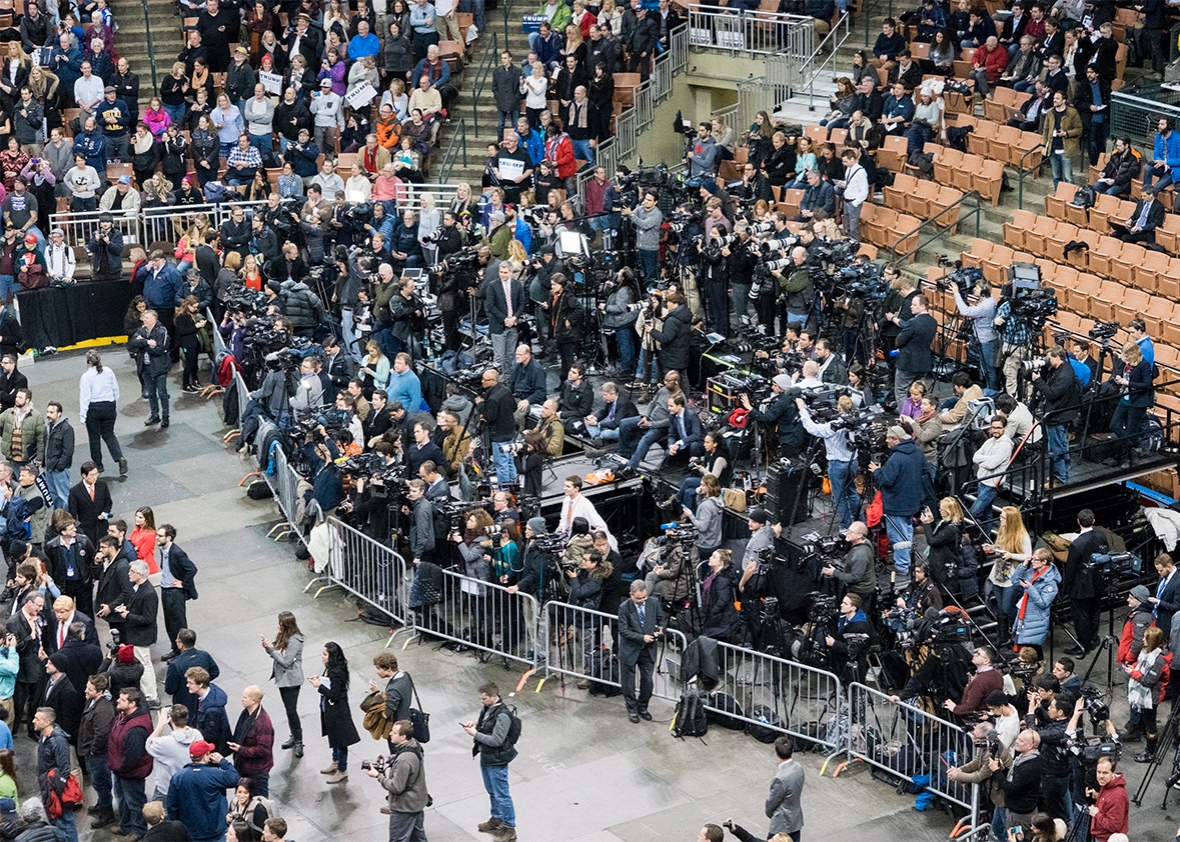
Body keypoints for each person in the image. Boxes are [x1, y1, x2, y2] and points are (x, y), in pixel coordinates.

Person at [461, 681, 518, 842]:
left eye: (484, 699)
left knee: (502, 795)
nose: (482, 702)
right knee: (492, 792)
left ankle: (509, 827)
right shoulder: (488, 709)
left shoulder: (503, 715)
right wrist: (476, 726)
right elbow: (487, 727)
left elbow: (496, 740)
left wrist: (474, 734)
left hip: (497, 759)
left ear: (494, 696)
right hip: (486, 756)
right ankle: (496, 818)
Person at [869, 425, 926, 575]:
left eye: (889, 438)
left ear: (897, 439)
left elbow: (886, 480)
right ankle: (906, 561)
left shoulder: (896, 458)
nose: (886, 441)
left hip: (896, 504)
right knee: (906, 532)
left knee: (899, 536)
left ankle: (902, 566)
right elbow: (925, 471)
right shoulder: (917, 453)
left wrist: (876, 471)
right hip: (912, 501)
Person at [166, 739, 241, 841]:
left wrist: (178, 825)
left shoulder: (178, 777)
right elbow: (235, 778)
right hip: (215, 831)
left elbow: (172, 805)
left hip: (189, 832)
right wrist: (222, 761)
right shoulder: (215, 774)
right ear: (206, 756)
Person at [367, 719, 429, 842]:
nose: (390, 734)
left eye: (394, 733)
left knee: (398, 839)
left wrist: (377, 776)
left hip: (404, 807)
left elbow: (396, 787)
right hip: (417, 802)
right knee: (418, 839)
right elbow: (407, 756)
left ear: (403, 736)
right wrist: (389, 759)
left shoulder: (403, 760)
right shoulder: (414, 745)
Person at [311, 641, 361, 785]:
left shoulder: (336, 672)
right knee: (334, 736)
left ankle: (342, 769)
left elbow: (335, 694)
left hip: (338, 711)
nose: (322, 657)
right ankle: (335, 761)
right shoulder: (329, 669)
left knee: (340, 740)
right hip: (329, 709)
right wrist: (320, 680)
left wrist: (319, 686)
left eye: (325, 654)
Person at [108, 687, 155, 840]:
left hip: (130, 773)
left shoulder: (137, 727)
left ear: (132, 703)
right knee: (122, 799)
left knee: (135, 803)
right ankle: (125, 826)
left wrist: (120, 768)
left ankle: (138, 831)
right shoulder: (124, 715)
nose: (117, 701)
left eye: (122, 700)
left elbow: (132, 757)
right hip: (119, 769)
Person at [1030, 346, 1079, 485]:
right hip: (1058, 413)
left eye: (1050, 358)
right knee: (1061, 445)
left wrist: (1038, 380)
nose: (1048, 360)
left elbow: (1051, 394)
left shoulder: (1065, 374)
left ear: (1058, 357)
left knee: (1056, 448)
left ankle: (1060, 478)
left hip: (1058, 415)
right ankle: (1063, 471)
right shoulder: (1059, 369)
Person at [617, 580, 664, 724]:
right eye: (638, 598)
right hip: (630, 650)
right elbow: (623, 630)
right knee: (628, 683)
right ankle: (631, 708)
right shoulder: (624, 608)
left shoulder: (653, 603)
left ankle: (643, 706)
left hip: (648, 650)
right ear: (631, 595)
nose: (642, 600)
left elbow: (662, 619)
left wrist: (660, 630)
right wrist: (641, 638)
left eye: (644, 597)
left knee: (648, 682)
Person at [1062, 509, 1107, 659]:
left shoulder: (1077, 544)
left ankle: (1083, 644)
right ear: (1093, 520)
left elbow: (1071, 568)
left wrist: (1065, 587)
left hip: (1081, 586)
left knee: (1081, 617)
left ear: (1078, 521)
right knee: (1094, 612)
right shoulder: (1101, 536)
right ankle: (1093, 639)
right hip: (1098, 581)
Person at [261, 611, 304, 759]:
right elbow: (278, 653)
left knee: (292, 711)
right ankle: (294, 735)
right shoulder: (284, 637)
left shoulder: (295, 640)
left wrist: (271, 650)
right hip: (283, 679)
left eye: (279, 623)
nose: (277, 626)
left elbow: (286, 661)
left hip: (291, 680)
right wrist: (269, 648)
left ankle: (299, 740)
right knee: (288, 710)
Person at [118, 560, 159, 707]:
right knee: (144, 664)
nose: (129, 574)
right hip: (137, 634)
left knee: (144, 665)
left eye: (132, 572)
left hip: (142, 636)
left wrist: (128, 615)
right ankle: (149, 693)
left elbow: (148, 618)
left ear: (140, 574)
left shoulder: (148, 593)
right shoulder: (139, 588)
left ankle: (150, 696)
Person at [78, 350, 125, 476]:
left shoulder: (86, 377)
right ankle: (119, 458)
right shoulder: (108, 371)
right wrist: (114, 403)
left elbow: (85, 397)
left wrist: (83, 416)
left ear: (88, 362)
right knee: (109, 434)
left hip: (94, 409)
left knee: (94, 438)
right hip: (109, 406)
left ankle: (98, 465)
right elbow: (115, 389)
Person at [33, 706, 76, 842]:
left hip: (55, 789)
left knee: (65, 821)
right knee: (55, 820)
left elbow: (64, 769)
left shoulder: (58, 741)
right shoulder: (43, 736)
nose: (33, 721)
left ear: (47, 722)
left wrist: (57, 792)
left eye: (37, 719)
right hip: (47, 785)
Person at [80, 674, 117, 829]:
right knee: (99, 782)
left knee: (101, 783)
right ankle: (101, 803)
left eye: (89, 689)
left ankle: (106, 814)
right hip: (92, 751)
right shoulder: (92, 701)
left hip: (98, 754)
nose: (85, 691)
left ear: (100, 691)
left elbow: (102, 734)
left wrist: (94, 751)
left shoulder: (103, 709)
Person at [127, 309, 172, 429]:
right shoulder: (141, 330)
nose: (144, 320)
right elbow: (132, 342)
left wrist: (143, 344)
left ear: (153, 319)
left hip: (159, 367)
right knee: (151, 393)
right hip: (145, 367)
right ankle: (154, 415)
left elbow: (159, 350)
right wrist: (148, 342)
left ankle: (165, 416)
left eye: (146, 318)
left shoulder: (162, 331)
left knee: (162, 393)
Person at [1012, 549, 1061, 656]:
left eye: (1036, 560)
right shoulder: (1031, 572)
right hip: (1025, 614)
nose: (1033, 561)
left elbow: (1043, 603)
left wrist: (1031, 588)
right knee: (1026, 644)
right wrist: (1023, 565)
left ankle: (1038, 665)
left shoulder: (1050, 582)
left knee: (1033, 645)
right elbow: (1015, 582)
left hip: (1037, 617)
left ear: (1044, 562)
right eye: (1032, 559)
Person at [228, 686, 274, 797]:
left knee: (260, 802)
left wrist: (240, 749)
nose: (241, 699)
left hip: (257, 771)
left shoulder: (262, 723)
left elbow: (263, 749)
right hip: (244, 767)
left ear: (253, 700)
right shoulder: (246, 714)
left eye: (245, 697)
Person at [163, 628, 220, 715]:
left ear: (180, 645)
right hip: (202, 698)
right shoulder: (204, 655)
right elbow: (215, 672)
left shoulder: (176, 664)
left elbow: (170, 689)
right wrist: (201, 681)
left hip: (184, 702)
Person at [971, 416, 1013, 521]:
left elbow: (991, 465)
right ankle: (986, 535)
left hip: (991, 484)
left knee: (974, 512)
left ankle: (979, 532)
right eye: (993, 427)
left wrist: (983, 461)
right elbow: (975, 457)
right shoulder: (990, 441)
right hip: (982, 479)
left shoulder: (1005, 445)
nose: (995, 430)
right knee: (987, 512)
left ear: (1005, 428)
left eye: (998, 428)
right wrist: (988, 459)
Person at [765, 735, 804, 842]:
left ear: (777, 753)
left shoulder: (780, 778)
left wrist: (770, 813)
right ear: (792, 750)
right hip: (795, 819)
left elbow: (772, 802)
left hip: (781, 823)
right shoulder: (799, 767)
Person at [1087, 756, 1128, 841]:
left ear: (1113, 773)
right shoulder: (1107, 783)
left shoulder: (1118, 797)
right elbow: (1109, 802)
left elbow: (1114, 826)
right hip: (1101, 835)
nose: (1101, 776)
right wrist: (1098, 796)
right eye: (1099, 772)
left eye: (1105, 773)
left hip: (1106, 839)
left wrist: (1096, 814)